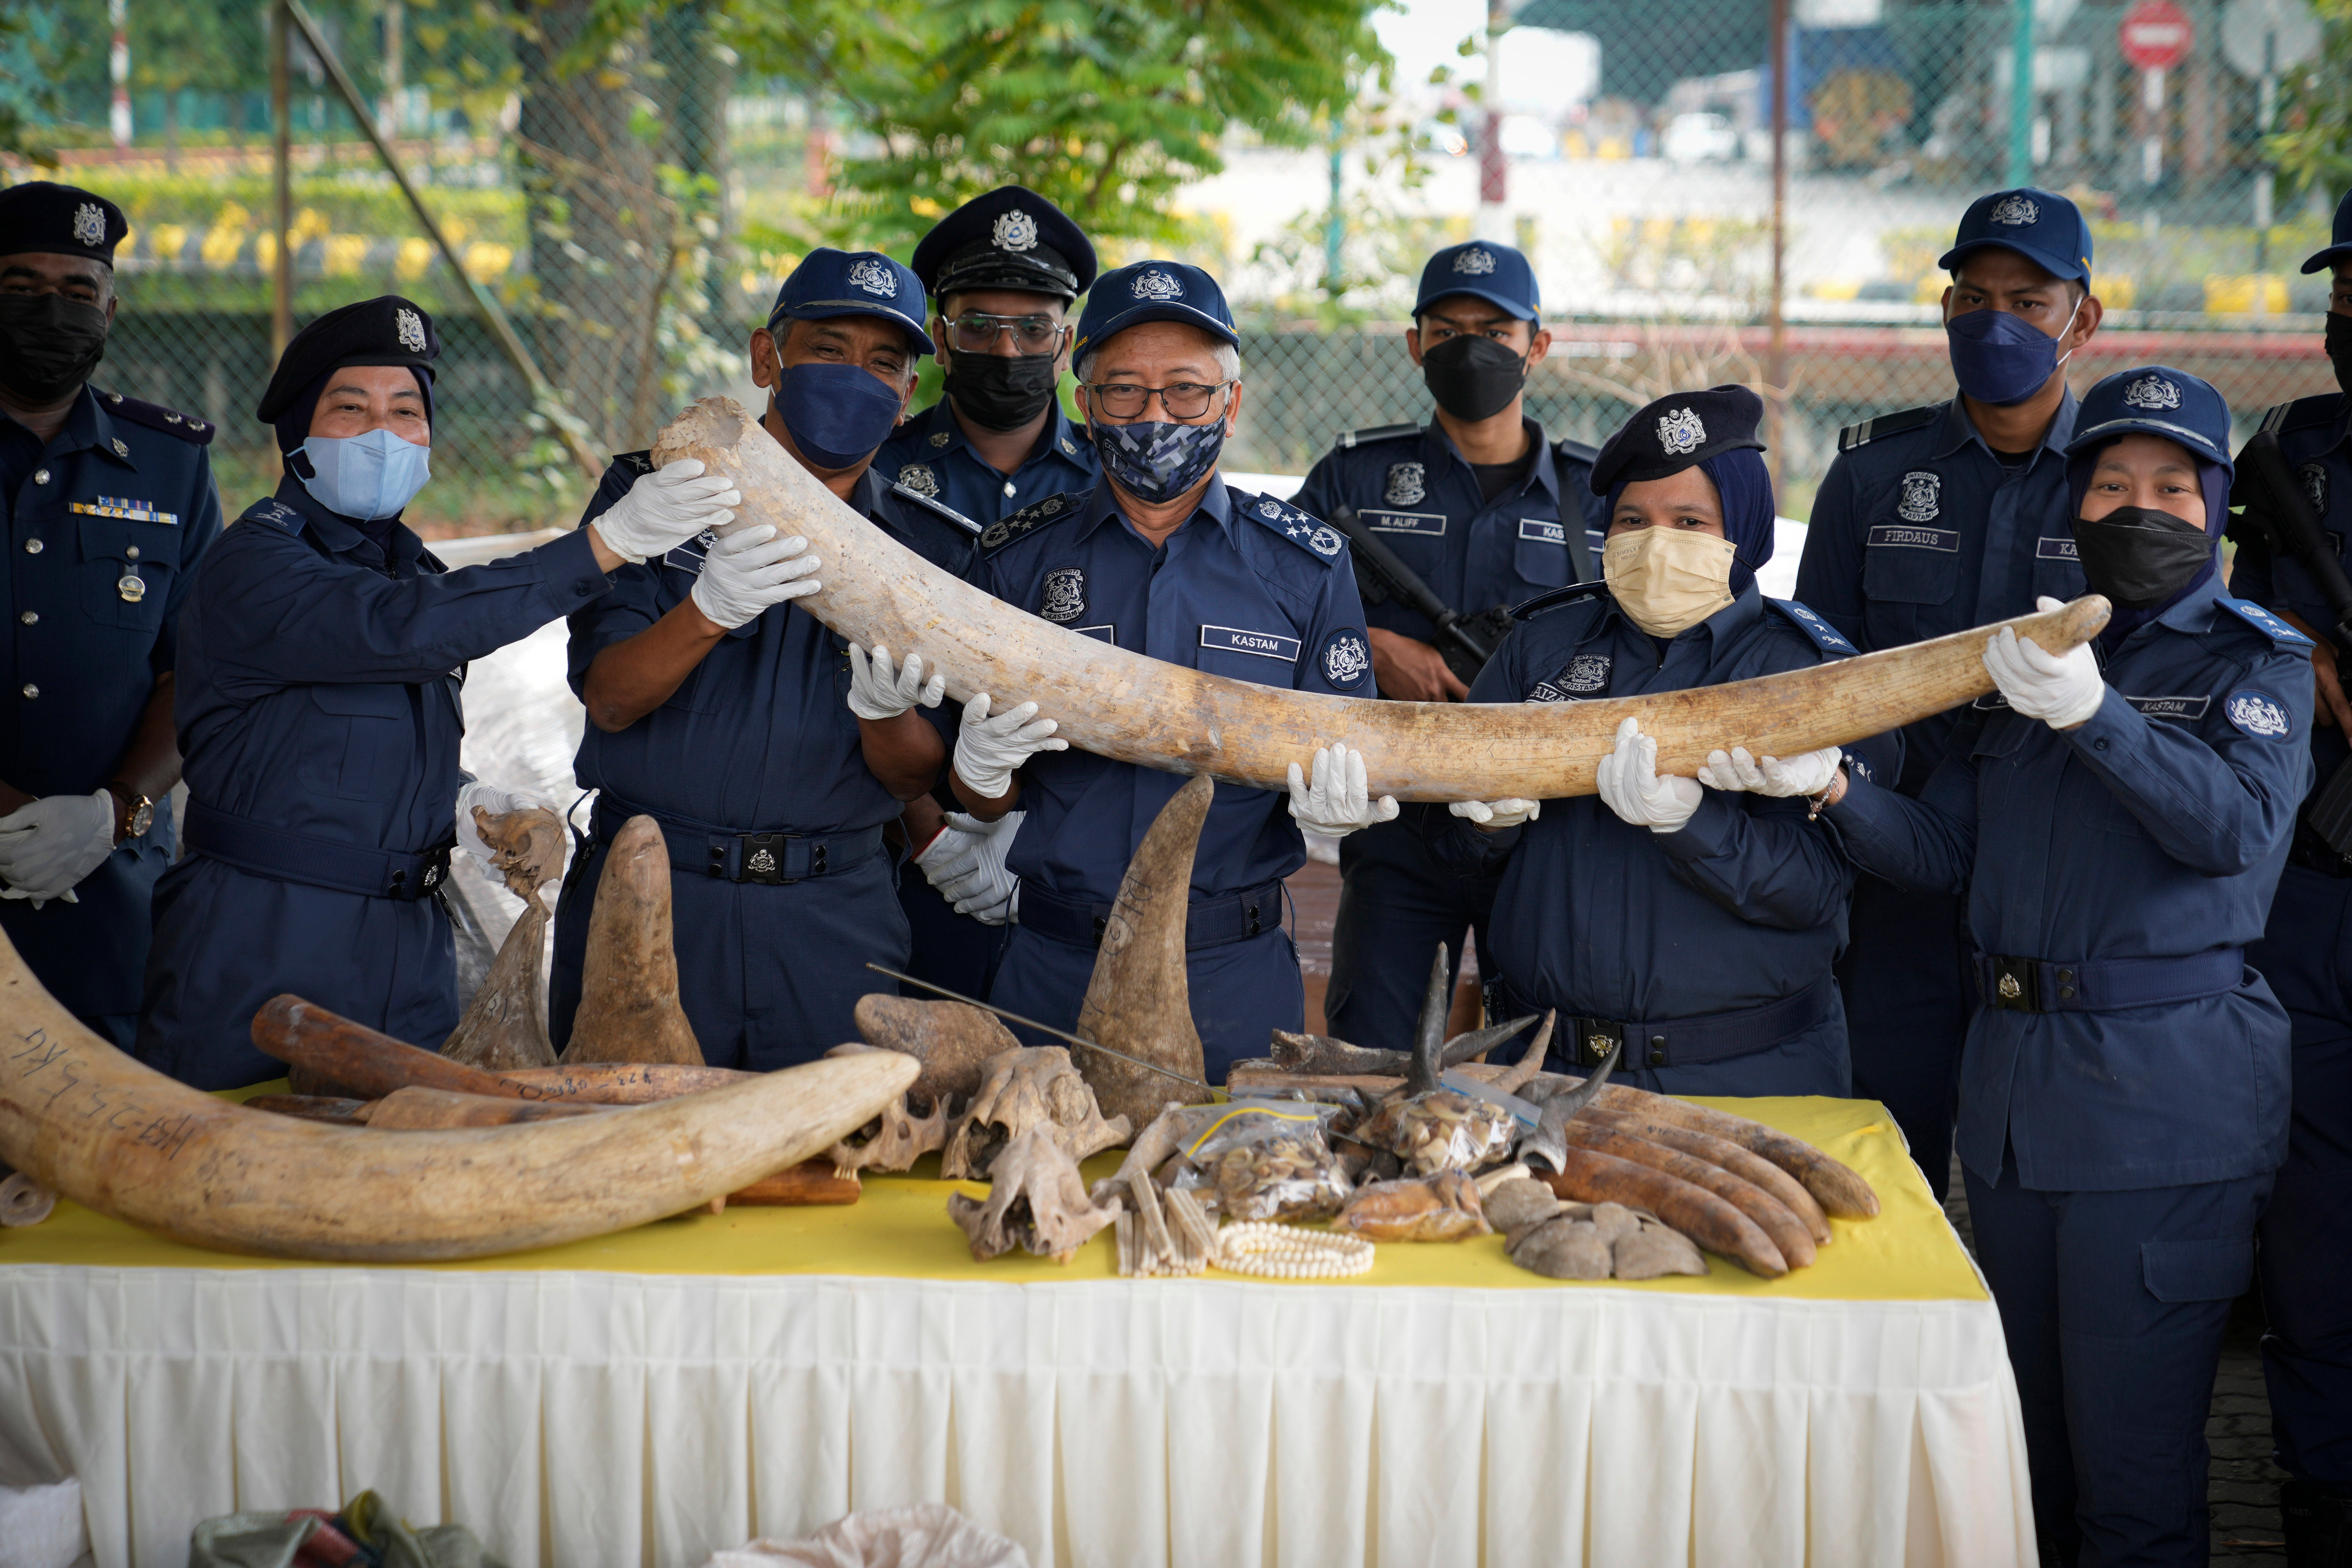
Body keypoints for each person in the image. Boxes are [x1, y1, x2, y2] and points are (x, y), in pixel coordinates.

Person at [1819, 366, 2308, 1567]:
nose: (2137, 508)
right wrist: (1829, 790)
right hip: (2016, 1103)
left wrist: (2098, 717)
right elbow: (1942, 854)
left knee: (2130, 1485)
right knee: (2021, 1466)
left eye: (2170, 488)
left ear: (2216, 509)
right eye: (2109, 486)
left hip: (2160, 1107)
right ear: (2074, 511)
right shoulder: (2030, 661)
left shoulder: (2256, 664)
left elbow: (2231, 831)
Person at [138, 296, 732, 1088]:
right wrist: (605, 544)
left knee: (410, 1148)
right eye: (351, 409)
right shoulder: (257, 564)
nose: (384, 433)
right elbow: (397, 629)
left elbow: (336, 745)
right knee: (241, 1148)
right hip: (264, 942)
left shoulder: (412, 572)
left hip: (409, 953)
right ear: (297, 435)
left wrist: (467, 802)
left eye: (407, 411)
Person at [943, 259, 1390, 1077]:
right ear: (1085, 403)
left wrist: (1342, 811)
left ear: (1231, 404)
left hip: (1228, 972)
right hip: (1053, 965)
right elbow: (974, 790)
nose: (1156, 415)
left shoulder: (1305, 567)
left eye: (1186, 390)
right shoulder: (1015, 563)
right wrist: (979, 778)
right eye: (1124, 391)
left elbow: (1351, 761)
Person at [552, 249, 975, 1071]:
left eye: (884, 364)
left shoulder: (929, 550)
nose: (855, 378)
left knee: (838, 1143)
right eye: (829, 350)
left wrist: (885, 716)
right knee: (628, 1134)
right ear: (766, 359)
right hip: (653, 895)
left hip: (833, 918)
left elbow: (916, 775)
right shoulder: (661, 495)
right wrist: (705, 613)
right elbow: (611, 698)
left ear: (907, 397)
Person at [1794, 185, 2101, 1198]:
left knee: (2044, 1170)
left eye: (2027, 301)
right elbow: (1822, 674)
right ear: (1943, 310)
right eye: (1973, 298)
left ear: (2081, 321)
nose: (1995, 321)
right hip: (1889, 866)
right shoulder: (1870, 475)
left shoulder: (2119, 483)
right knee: (1883, 1154)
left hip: (2055, 870)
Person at [1435, 385, 1869, 1096]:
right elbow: (1449, 857)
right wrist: (1487, 828)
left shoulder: (1806, 672)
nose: (1657, 542)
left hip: (1748, 1073)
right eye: (1633, 520)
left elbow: (1817, 891)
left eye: (1690, 521)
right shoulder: (1539, 650)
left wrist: (1691, 825)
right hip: (1544, 1065)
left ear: (1744, 530)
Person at [1291, 239, 1607, 1052]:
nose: (1472, 349)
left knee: (1539, 1059)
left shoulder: (1598, 495)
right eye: (1448, 331)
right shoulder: (1355, 478)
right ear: (1415, 344)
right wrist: (1371, 648)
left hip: (1546, 831)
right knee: (1374, 1057)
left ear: (1538, 345)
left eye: (1495, 332)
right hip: (1396, 820)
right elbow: (1271, 608)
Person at [0, 182, 224, 1049]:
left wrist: (115, 811)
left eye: (77, 291)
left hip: (110, 912)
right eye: (21, 288)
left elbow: (193, 670)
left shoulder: (171, 465)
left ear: (111, 311)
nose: (51, 311)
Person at [876, 186, 1101, 1009]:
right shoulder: (876, 475)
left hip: (1080, 860)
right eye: (978, 326)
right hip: (908, 854)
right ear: (940, 338)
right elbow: (836, 672)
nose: (1007, 349)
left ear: (1066, 343)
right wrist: (929, 830)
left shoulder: (1115, 484)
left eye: (1034, 328)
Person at [2219, 188, 2352, 1562]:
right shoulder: (2300, 456)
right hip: (2313, 880)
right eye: (2344, 292)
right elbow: (2235, 597)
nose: (2348, 317)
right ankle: (2319, 1488)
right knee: (2311, 1222)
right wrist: (2293, 645)